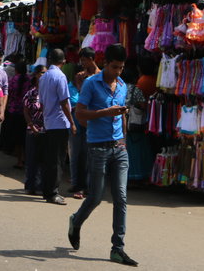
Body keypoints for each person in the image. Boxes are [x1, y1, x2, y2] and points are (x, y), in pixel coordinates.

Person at [68, 44, 137, 267]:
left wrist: (123, 140)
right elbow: (79, 114)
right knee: (96, 197)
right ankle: (76, 221)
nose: (118, 71)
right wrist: (104, 114)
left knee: (121, 197)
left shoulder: (123, 86)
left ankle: (118, 248)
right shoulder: (91, 84)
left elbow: (122, 116)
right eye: (115, 67)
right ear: (105, 63)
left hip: (119, 148)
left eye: (121, 68)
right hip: (97, 147)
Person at [38, 48, 76, 205]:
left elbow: (41, 102)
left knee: (50, 159)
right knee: (58, 160)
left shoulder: (44, 76)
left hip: (49, 121)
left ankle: (48, 190)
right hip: (59, 122)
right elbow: (64, 102)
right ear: (64, 61)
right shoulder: (60, 76)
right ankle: (52, 192)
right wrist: (72, 122)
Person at [69, 47, 100, 199]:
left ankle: (87, 186)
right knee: (77, 153)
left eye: (83, 60)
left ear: (91, 59)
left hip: (92, 118)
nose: (81, 63)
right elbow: (82, 97)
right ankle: (77, 183)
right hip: (80, 117)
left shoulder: (100, 76)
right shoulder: (81, 76)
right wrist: (79, 82)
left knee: (89, 154)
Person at [23, 65, 46, 195]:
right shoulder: (31, 93)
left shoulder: (49, 92)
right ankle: (30, 185)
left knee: (44, 159)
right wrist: (31, 125)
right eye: (42, 73)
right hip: (32, 129)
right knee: (32, 159)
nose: (43, 75)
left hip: (46, 129)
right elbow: (26, 111)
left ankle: (41, 186)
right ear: (36, 75)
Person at [7, 61, 29, 169]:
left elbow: (9, 93)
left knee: (17, 137)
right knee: (25, 137)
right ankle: (26, 158)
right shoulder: (29, 80)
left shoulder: (13, 80)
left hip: (14, 111)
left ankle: (19, 160)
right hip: (26, 112)